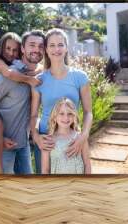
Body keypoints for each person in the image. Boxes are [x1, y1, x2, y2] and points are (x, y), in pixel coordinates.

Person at [0, 30, 45, 174]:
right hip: (4, 145)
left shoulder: (39, 73)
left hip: (22, 143)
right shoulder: (8, 75)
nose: (37, 49)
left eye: (41, 46)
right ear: (23, 49)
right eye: (32, 45)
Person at [30, 28, 93, 174]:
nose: (56, 49)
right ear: (46, 49)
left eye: (60, 44)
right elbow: (33, 115)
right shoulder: (39, 80)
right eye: (52, 45)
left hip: (72, 138)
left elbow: (88, 112)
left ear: (66, 48)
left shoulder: (80, 77)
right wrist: (36, 136)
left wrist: (83, 136)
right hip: (47, 139)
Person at [41, 98, 91, 174]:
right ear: (54, 117)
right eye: (61, 113)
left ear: (74, 116)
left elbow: (87, 164)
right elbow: (45, 170)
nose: (66, 118)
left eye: (69, 114)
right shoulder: (48, 140)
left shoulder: (80, 138)